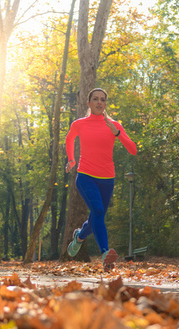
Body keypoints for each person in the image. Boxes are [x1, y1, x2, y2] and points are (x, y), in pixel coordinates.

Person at [65, 88, 138, 270]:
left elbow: (133, 150)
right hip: (85, 176)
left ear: (105, 104)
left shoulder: (114, 125)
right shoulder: (79, 124)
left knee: (97, 216)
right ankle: (106, 253)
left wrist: (117, 133)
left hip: (107, 179)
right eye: (95, 99)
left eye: (103, 100)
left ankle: (79, 236)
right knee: (97, 211)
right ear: (88, 103)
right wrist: (72, 159)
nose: (99, 102)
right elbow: (69, 139)